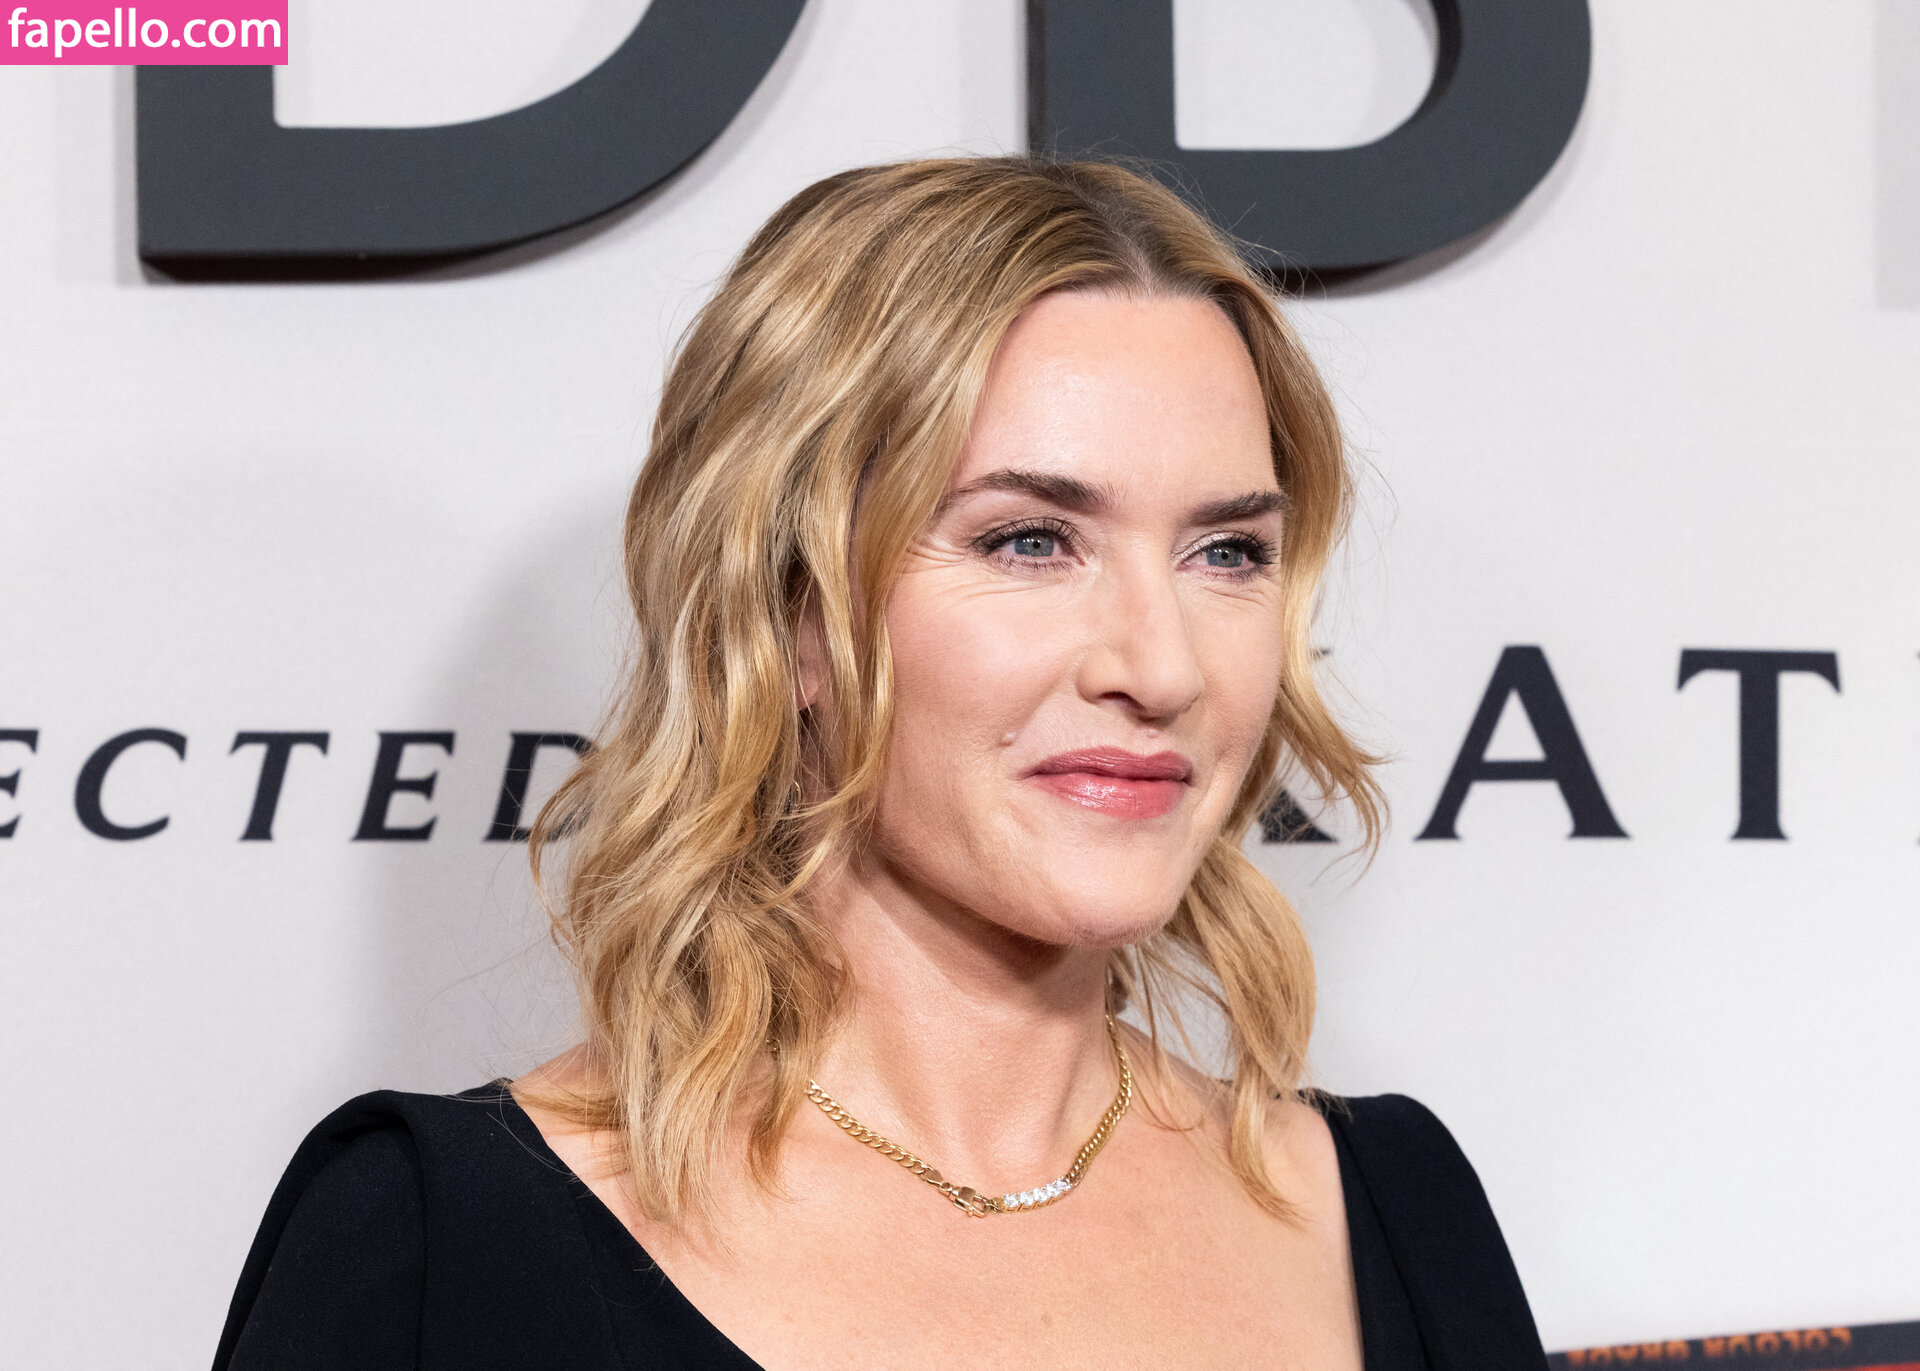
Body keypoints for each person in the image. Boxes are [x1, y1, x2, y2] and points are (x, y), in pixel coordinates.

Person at [214, 157, 1548, 1371]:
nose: (1164, 667)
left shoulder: (1393, 1213)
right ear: (786, 609)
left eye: (1227, 553)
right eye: (1030, 541)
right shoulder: (434, 1246)